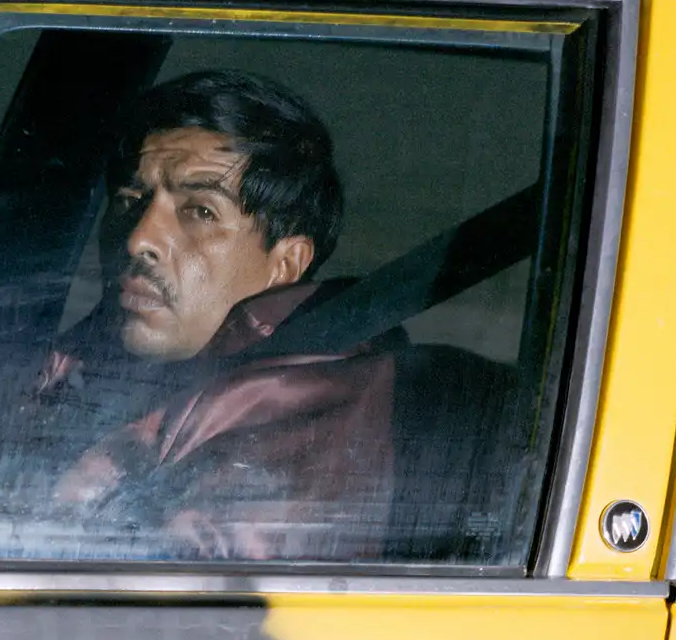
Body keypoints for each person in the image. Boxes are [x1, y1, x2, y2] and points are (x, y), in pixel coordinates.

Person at [36, 69, 403, 561]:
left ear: (285, 264)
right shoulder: (83, 361)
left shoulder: (308, 404)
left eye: (201, 212)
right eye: (130, 201)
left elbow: (189, 605)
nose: (138, 239)